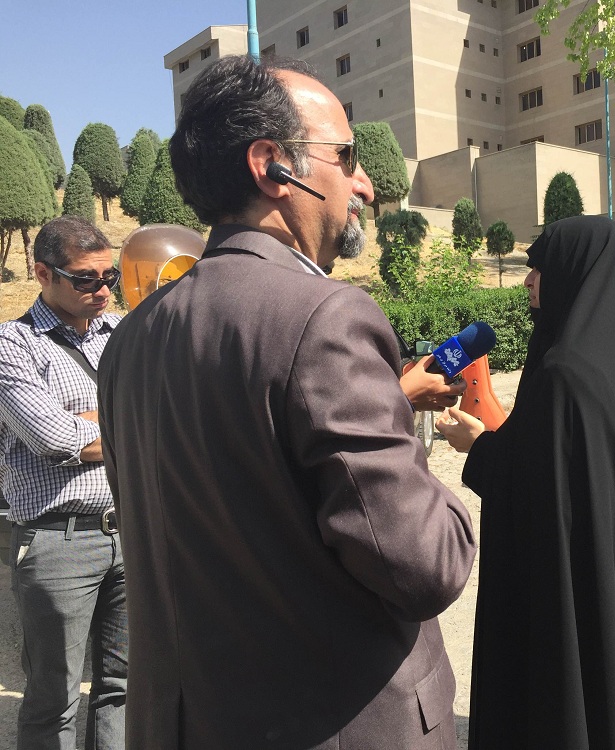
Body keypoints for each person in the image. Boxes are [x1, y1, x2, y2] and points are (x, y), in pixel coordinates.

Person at [97, 55, 476, 749]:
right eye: (346, 156)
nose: (364, 183)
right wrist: (448, 480)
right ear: (272, 166)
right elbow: (426, 566)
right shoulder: (326, 317)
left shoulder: (131, 339)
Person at [436, 216, 615, 750]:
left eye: (538, 269)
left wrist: (478, 447)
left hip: (579, 586)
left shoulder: (564, 373)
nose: (528, 282)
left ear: (573, 272)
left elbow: (542, 493)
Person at [0, 216, 127, 748]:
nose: (102, 289)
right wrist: (132, 418)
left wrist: (93, 423)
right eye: (85, 278)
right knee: (54, 697)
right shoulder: (14, 345)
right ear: (43, 274)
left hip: (130, 532)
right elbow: (54, 440)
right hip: (58, 541)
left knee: (123, 687)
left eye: (109, 276)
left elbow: (172, 407)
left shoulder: (122, 334)